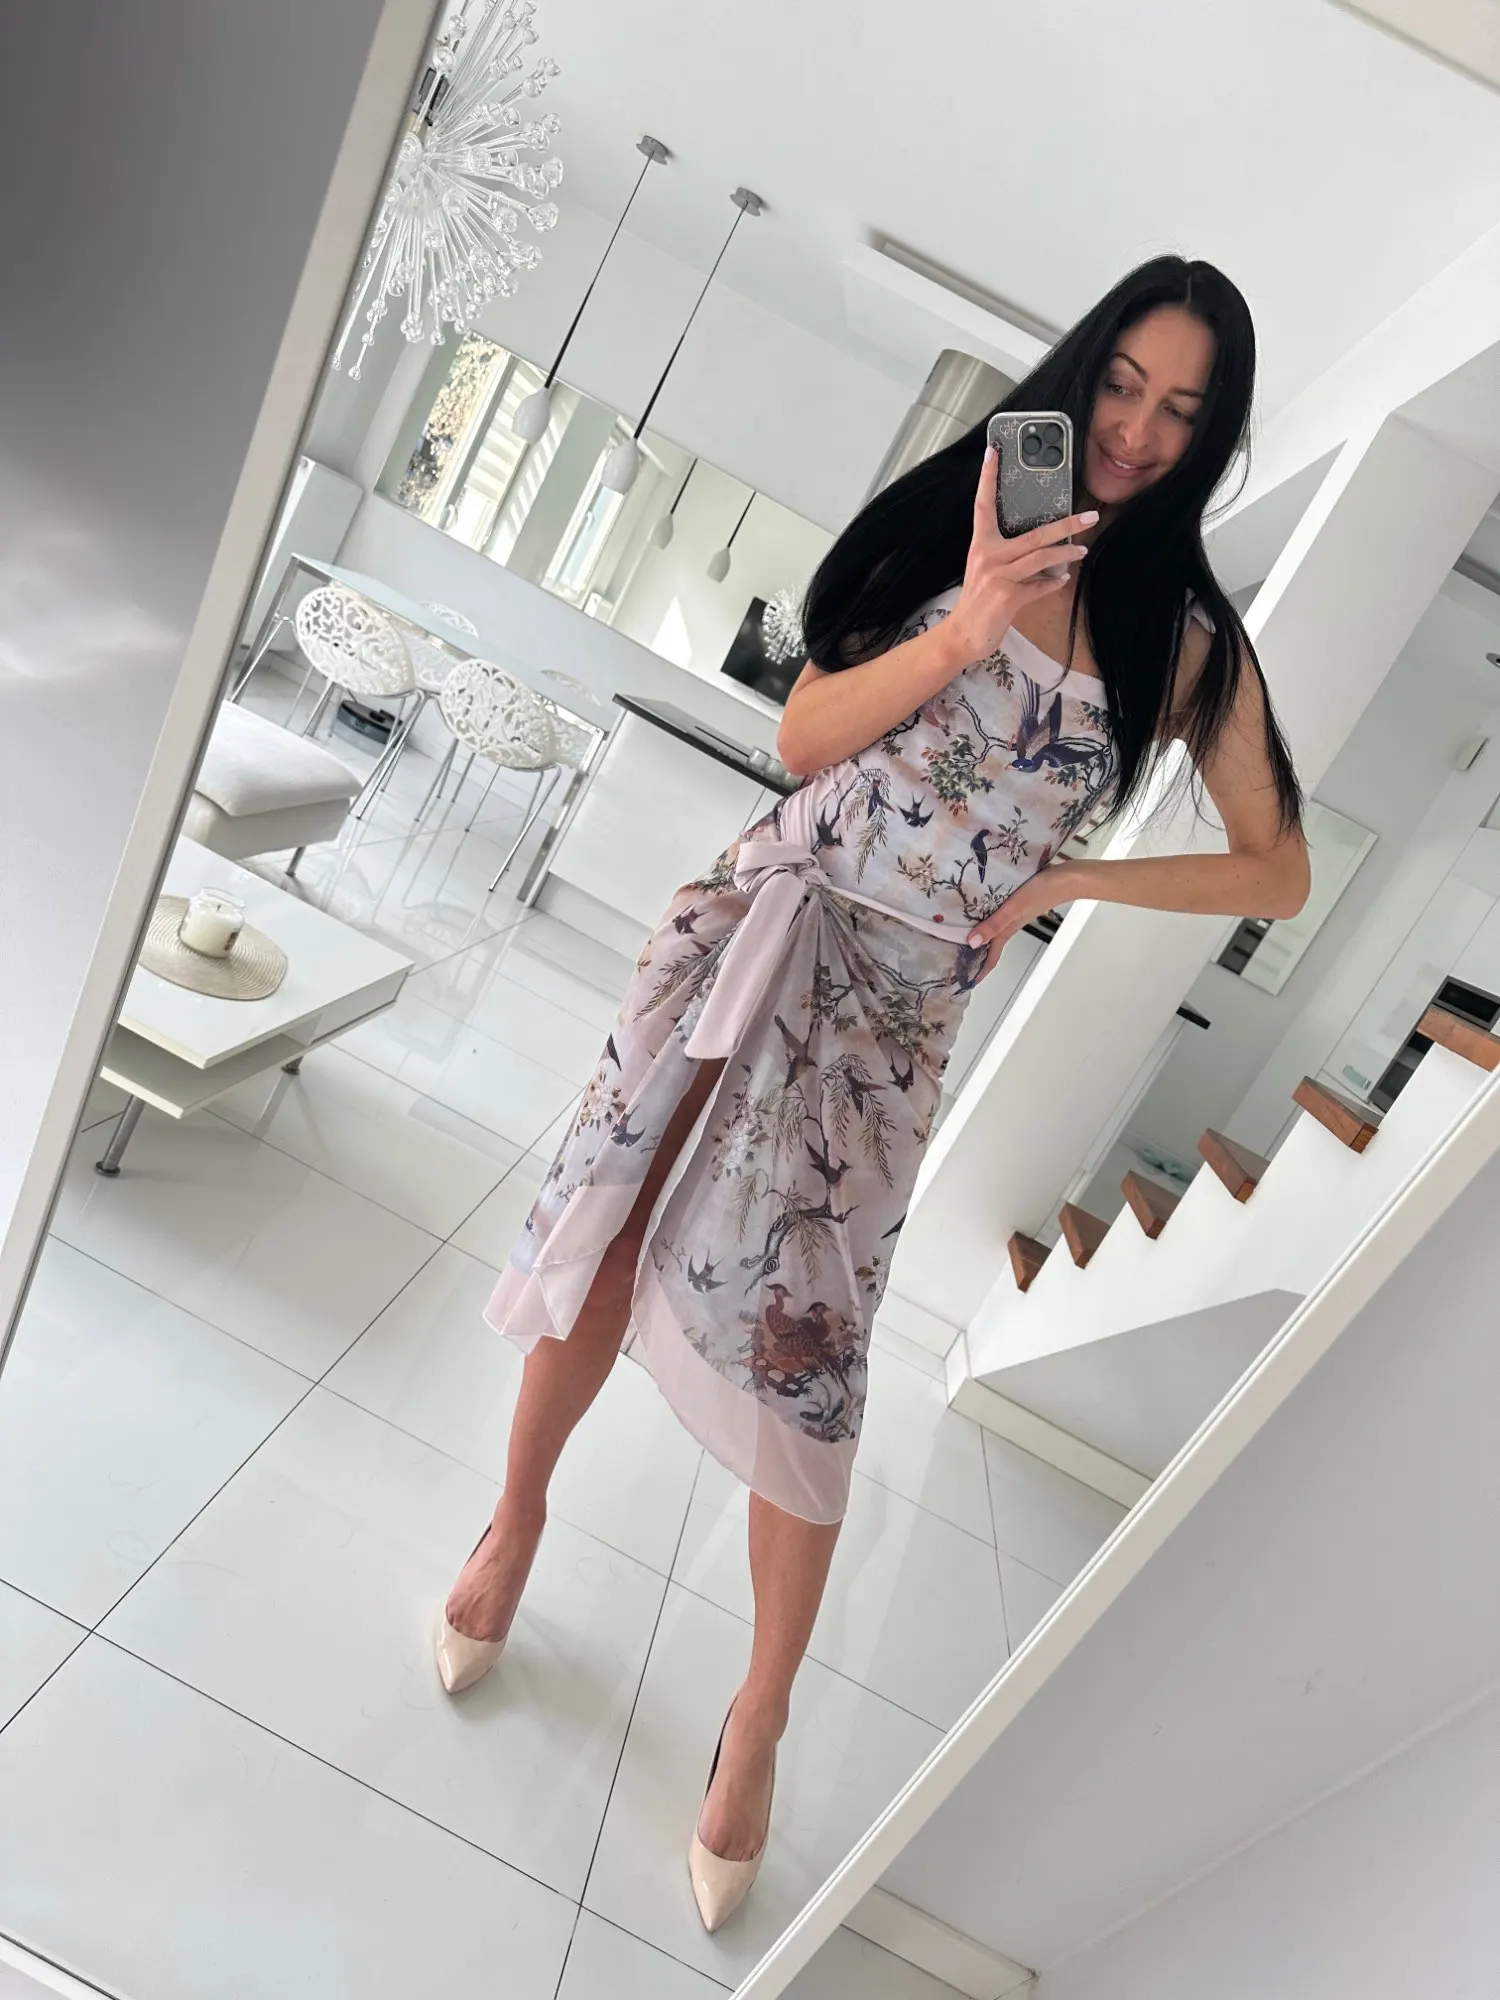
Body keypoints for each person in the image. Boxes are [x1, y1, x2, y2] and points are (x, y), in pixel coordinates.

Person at [434, 255, 1310, 1930]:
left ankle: (758, 1717)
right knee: (613, 1228)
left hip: (895, 1012)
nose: (1136, 431)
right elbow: (805, 735)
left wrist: (1070, 885)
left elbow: (1277, 868)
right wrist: (970, 623)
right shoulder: (953, 514)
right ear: (1083, 370)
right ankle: (513, 1523)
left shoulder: (1185, 642)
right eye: (1123, 384)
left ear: (1212, 440)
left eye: (1183, 413)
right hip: (757, 916)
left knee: (809, 1365)